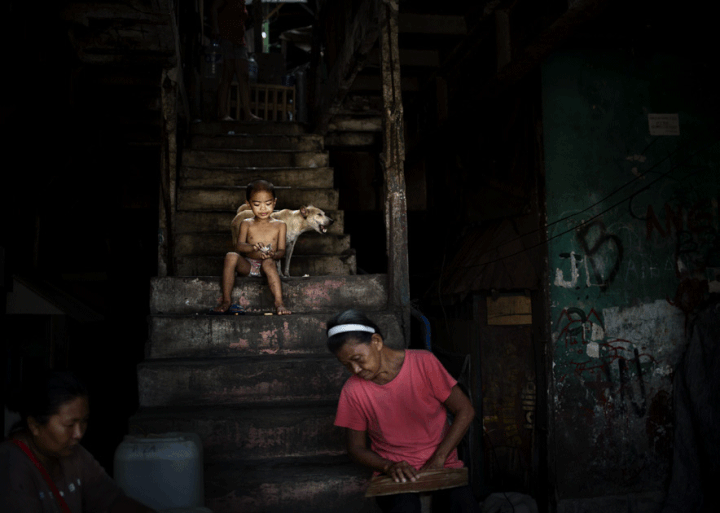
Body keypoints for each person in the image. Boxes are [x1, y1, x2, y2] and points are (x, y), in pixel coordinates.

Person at [327, 309, 480, 513]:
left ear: (377, 342)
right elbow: (356, 448)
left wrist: (439, 458)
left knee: (462, 505)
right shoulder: (353, 389)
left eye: (358, 359)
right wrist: (389, 466)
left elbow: (465, 410)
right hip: (394, 475)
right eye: (346, 365)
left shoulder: (423, 363)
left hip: (443, 465)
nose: (355, 369)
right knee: (403, 507)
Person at [0, 371, 155, 513]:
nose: (78, 434)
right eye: (69, 425)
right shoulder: (10, 465)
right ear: (34, 425)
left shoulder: (74, 454)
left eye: (84, 421)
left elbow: (112, 501)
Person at [214, 179, 290, 315]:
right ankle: (226, 301)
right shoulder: (246, 224)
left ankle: (279, 303)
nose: (263, 209)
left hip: (267, 267)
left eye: (268, 204)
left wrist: (273, 255)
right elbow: (239, 246)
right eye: (256, 204)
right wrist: (253, 247)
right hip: (248, 265)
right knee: (230, 256)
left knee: (268, 263)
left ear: (274, 202)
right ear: (248, 204)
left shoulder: (280, 225)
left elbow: (282, 251)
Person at [210, 0, 262, 122]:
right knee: (227, 75)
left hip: (239, 41)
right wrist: (215, 28)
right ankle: (223, 113)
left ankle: (248, 113)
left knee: (244, 76)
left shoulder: (242, 2)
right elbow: (213, 8)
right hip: (227, 38)